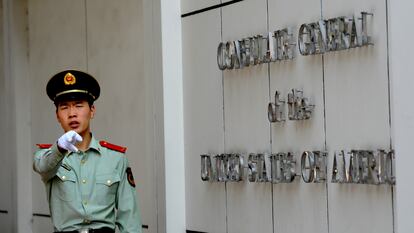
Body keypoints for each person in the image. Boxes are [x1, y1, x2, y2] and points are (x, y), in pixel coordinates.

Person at [33, 70, 142, 233]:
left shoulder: (116, 158)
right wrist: (60, 148)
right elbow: (42, 166)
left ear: (92, 111)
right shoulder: (48, 156)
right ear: (57, 116)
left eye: (78, 105)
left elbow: (129, 219)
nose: (72, 114)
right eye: (64, 107)